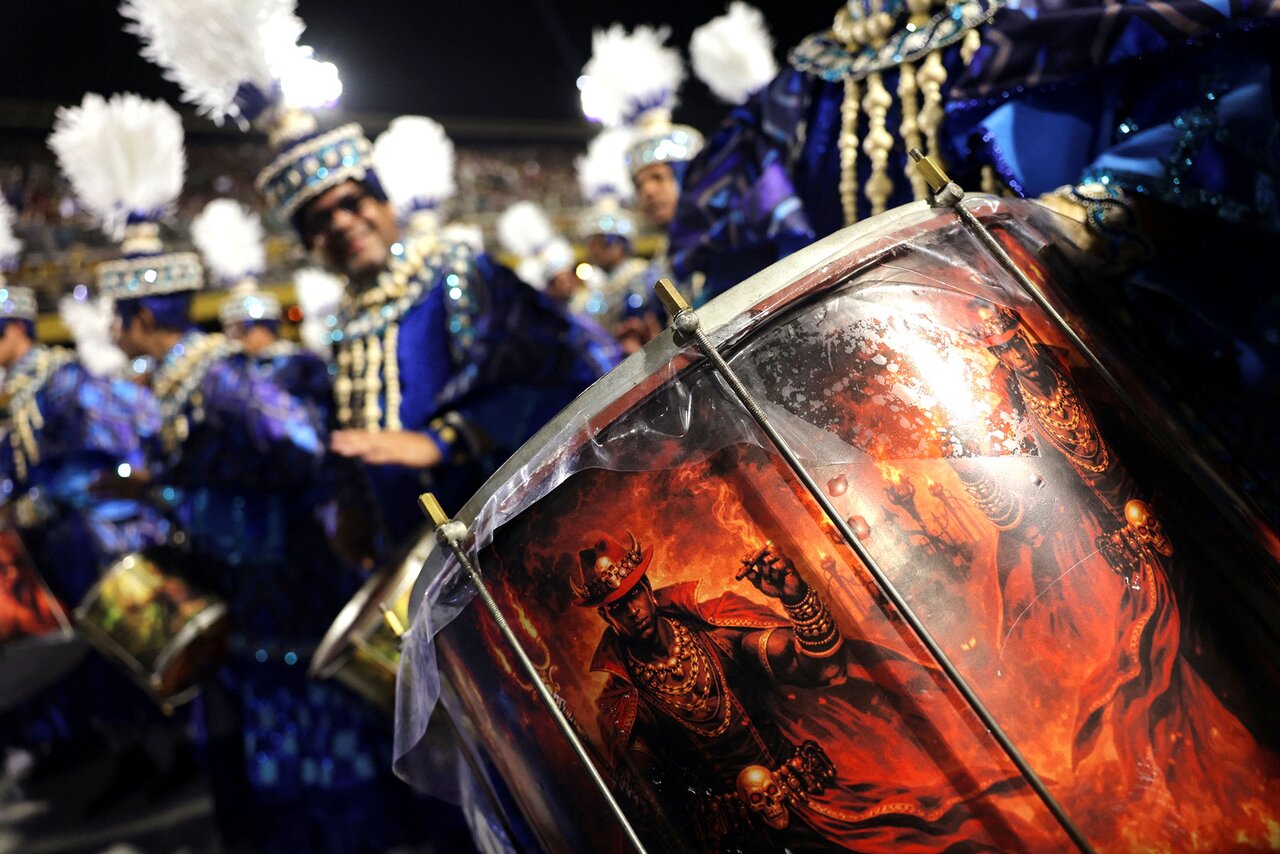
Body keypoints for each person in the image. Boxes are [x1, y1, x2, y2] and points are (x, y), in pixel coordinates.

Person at [52, 89, 434, 852]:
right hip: (252, 607)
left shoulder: (222, 382)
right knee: (279, 772)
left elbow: (307, 452)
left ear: (138, 319)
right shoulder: (188, 384)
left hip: (289, 598)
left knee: (326, 769)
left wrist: (172, 494)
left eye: (115, 318)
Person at [574, 531, 1049, 851]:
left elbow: (817, 666)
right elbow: (654, 803)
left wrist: (795, 598)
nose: (631, 609)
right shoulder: (625, 703)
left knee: (929, 835)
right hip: (740, 838)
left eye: (633, 593)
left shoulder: (716, 631)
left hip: (813, 801)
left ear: (648, 587)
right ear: (606, 616)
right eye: (617, 605)